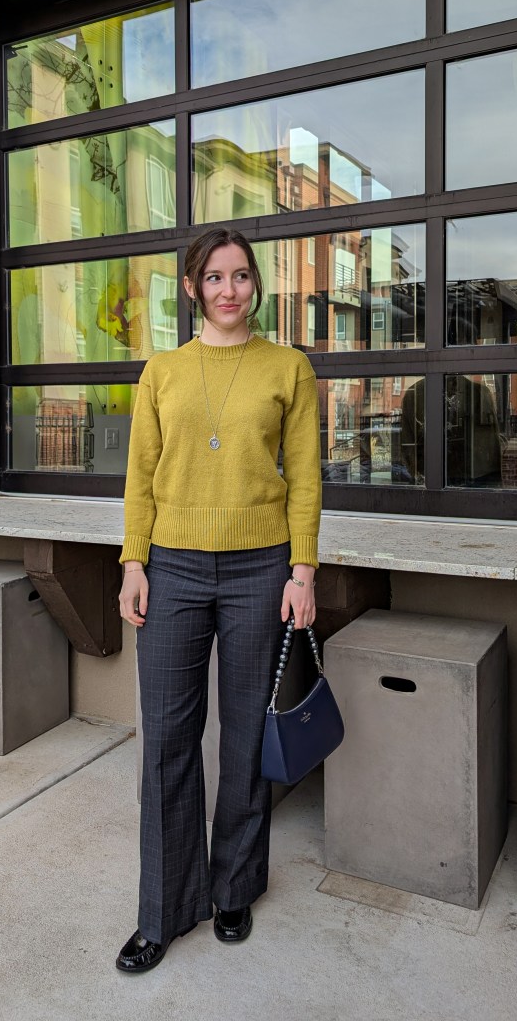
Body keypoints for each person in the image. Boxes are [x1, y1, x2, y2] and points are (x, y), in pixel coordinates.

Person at [115, 227, 322, 973]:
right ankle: (164, 912)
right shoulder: (162, 371)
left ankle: (233, 887)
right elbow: (140, 475)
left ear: (254, 285)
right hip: (170, 568)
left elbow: (303, 475)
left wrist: (302, 571)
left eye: (240, 277)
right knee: (167, 741)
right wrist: (132, 561)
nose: (228, 290)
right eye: (214, 278)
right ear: (193, 286)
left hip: (258, 570)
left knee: (242, 739)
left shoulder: (287, 366)